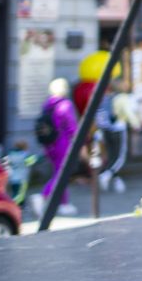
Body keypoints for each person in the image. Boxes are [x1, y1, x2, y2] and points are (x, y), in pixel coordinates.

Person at [42, 79, 83, 217]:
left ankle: (63, 203)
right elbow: (71, 126)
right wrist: (79, 141)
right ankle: (43, 196)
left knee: (58, 171)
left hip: (49, 144)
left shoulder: (47, 104)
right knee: (61, 174)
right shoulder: (65, 104)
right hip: (62, 143)